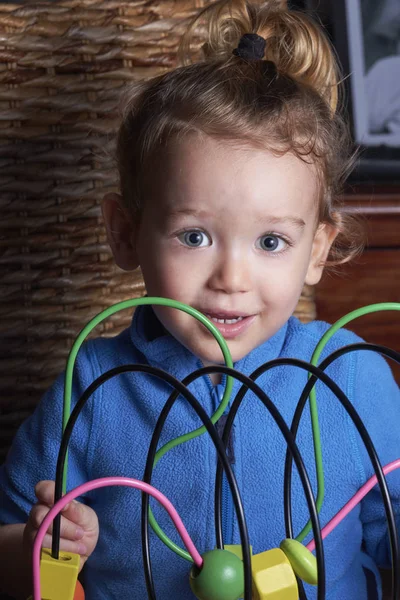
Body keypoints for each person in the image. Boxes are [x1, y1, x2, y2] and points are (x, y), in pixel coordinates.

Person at [1, 1, 399, 599]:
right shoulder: (91, 389)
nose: (231, 277)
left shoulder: (354, 379)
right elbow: (8, 542)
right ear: (125, 232)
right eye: (195, 236)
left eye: (271, 241)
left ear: (317, 250)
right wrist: (40, 544)